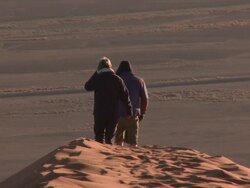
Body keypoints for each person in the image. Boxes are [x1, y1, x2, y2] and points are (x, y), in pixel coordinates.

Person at [85, 57, 132, 144]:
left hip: (100, 112)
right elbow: (125, 96)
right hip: (113, 112)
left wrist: (96, 73)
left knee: (99, 137)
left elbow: (87, 86)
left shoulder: (98, 78)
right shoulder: (117, 79)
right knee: (109, 138)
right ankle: (108, 154)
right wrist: (129, 111)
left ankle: (100, 155)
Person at [115, 60, 149, 147]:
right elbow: (145, 98)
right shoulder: (139, 81)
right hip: (133, 115)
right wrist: (142, 112)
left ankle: (119, 158)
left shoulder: (116, 80)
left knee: (118, 142)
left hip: (118, 115)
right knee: (133, 143)